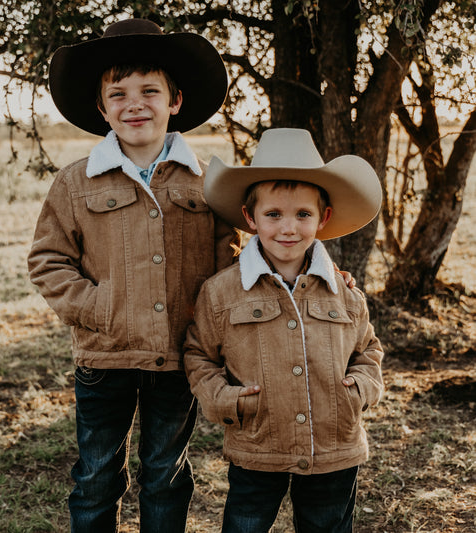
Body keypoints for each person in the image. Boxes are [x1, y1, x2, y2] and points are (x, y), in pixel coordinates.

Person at [27, 18, 240, 533]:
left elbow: (229, 261)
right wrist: (101, 308)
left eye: (150, 90)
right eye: (118, 94)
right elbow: (48, 261)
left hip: (178, 354)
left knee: (165, 474)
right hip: (105, 355)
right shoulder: (75, 182)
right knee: (98, 474)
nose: (134, 104)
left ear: (176, 100)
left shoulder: (208, 181)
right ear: (102, 109)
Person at [184, 128, 384, 533]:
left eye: (303, 215)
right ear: (249, 217)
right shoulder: (221, 291)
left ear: (323, 218)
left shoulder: (343, 292)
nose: (288, 228)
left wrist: (360, 389)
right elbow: (198, 355)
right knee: (245, 524)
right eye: (273, 214)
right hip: (258, 443)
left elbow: (368, 350)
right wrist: (224, 399)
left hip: (334, 446)